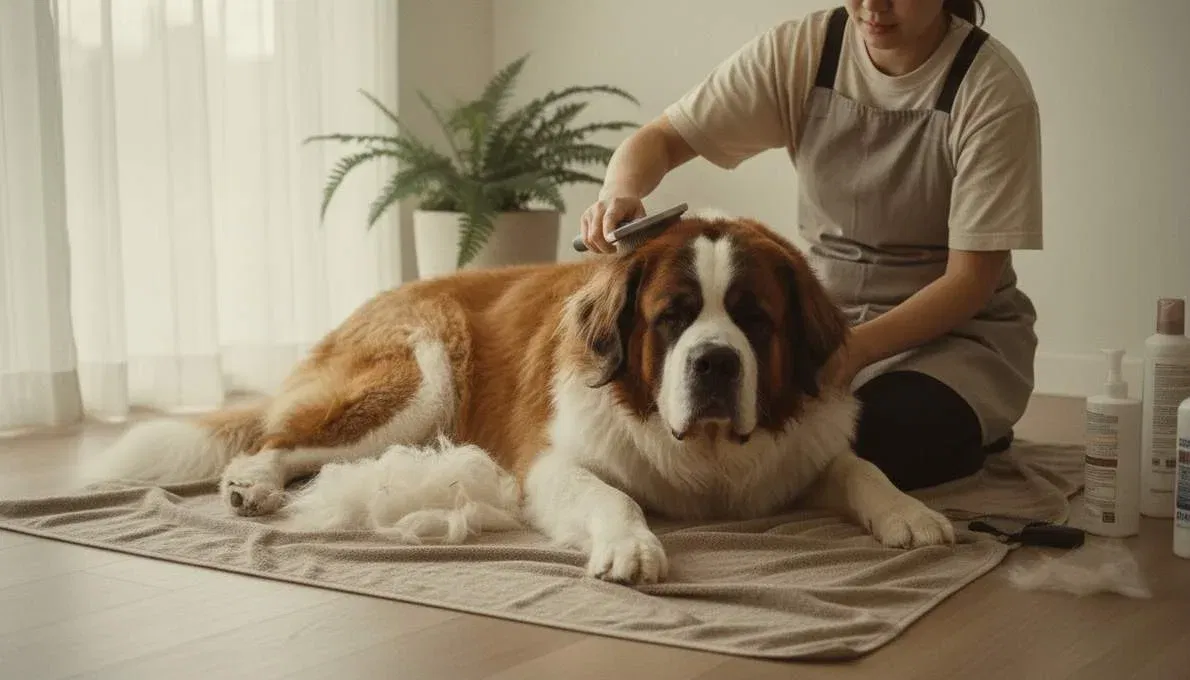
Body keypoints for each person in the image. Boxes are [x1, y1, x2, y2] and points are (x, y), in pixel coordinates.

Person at [578, 0, 1043, 491]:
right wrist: (619, 193)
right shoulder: (804, 51)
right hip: (828, 318)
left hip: (954, 338)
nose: (873, 6)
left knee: (873, 441)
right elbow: (663, 139)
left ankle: (978, 422)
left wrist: (854, 351)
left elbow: (969, 282)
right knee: (787, 444)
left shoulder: (992, 89)